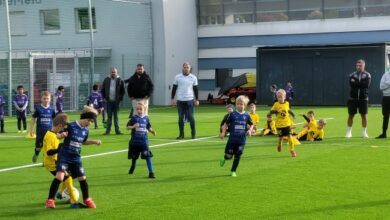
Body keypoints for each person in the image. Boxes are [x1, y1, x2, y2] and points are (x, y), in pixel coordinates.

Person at [45, 106, 102, 209]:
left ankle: (87, 199)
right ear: (83, 117)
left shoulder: (85, 130)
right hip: (64, 156)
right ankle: (50, 200)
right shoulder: (70, 126)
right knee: (60, 177)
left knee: (82, 178)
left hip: (76, 158)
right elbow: (56, 134)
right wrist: (61, 136)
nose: (90, 123)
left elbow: (83, 141)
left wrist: (94, 142)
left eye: (92, 122)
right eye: (89, 120)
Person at [42, 113, 79, 207]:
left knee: (68, 174)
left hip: (56, 161)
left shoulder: (52, 133)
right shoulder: (50, 136)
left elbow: (56, 137)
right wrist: (58, 149)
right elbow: (49, 152)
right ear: (59, 126)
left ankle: (60, 193)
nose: (64, 129)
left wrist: (61, 136)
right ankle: (74, 201)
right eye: (63, 127)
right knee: (68, 178)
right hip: (52, 163)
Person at [219, 95, 253, 177]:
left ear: (245, 105)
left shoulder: (247, 115)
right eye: (237, 104)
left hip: (241, 141)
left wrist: (250, 130)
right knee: (229, 156)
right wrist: (223, 132)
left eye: (241, 104)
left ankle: (233, 171)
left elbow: (251, 124)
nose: (239, 105)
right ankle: (224, 158)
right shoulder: (232, 114)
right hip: (232, 140)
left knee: (238, 156)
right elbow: (225, 123)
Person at [127, 102, 156, 178]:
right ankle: (132, 166)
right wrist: (133, 126)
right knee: (134, 157)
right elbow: (128, 127)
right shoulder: (134, 118)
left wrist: (152, 131)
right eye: (137, 109)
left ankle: (151, 172)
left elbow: (148, 127)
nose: (139, 111)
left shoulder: (146, 118)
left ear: (145, 109)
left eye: (141, 109)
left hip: (144, 142)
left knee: (147, 156)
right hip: (134, 142)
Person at [171, 62, 199, 139]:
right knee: (180, 118)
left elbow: (195, 89)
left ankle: (193, 134)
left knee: (191, 117)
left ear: (190, 69)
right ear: (182, 68)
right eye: (185, 67)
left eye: (187, 67)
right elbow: (174, 88)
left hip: (190, 100)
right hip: (180, 100)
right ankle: (181, 134)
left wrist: (197, 99)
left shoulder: (193, 77)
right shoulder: (177, 77)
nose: (186, 69)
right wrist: (172, 99)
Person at [345, 59, 371, 138]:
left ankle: (364, 133)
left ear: (364, 66)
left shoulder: (367, 75)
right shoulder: (352, 75)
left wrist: (356, 83)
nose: (358, 67)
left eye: (360, 66)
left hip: (363, 98)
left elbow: (366, 85)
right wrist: (360, 83)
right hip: (353, 98)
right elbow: (352, 84)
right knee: (351, 115)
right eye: (357, 66)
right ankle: (348, 133)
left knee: (364, 116)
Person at [270, 89, 298, 157]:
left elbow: (288, 110)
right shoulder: (276, 104)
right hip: (279, 125)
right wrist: (276, 111)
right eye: (278, 97)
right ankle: (280, 144)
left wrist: (293, 114)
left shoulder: (287, 103)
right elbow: (271, 112)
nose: (280, 98)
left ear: (284, 97)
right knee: (281, 137)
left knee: (290, 136)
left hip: (287, 123)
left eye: (281, 96)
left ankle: (292, 150)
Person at [30, 91, 56, 163]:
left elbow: (54, 119)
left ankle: (45, 161)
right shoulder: (38, 109)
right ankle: (36, 154)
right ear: (41, 99)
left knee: (48, 146)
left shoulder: (52, 109)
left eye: (47, 98)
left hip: (49, 132)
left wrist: (55, 129)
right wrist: (31, 130)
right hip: (40, 131)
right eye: (44, 99)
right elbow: (33, 119)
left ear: (50, 99)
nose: (46, 100)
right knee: (39, 147)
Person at [101, 67, 125, 135]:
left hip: (116, 102)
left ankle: (117, 131)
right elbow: (102, 89)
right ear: (110, 72)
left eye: (114, 72)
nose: (113, 73)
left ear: (117, 72)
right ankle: (107, 131)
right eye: (112, 72)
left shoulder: (120, 80)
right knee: (109, 117)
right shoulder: (106, 79)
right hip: (109, 101)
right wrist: (104, 98)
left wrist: (120, 99)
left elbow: (123, 91)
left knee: (116, 116)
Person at [376, 71, 390, 138]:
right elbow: (381, 87)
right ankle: (384, 134)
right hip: (386, 97)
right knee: (385, 116)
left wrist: (386, 83)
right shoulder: (385, 75)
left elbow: (384, 85)